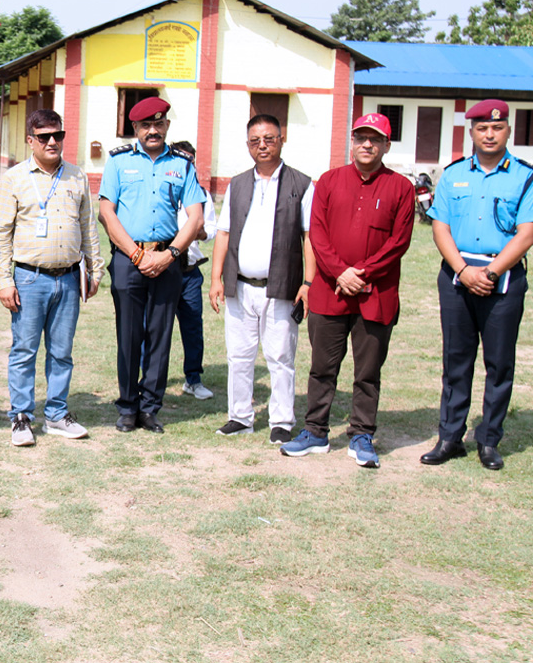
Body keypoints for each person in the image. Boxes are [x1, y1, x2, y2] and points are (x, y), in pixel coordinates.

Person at [281, 113, 414, 468]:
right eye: (361, 138)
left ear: (386, 145)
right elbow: (317, 234)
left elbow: (399, 241)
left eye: (375, 139)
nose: (367, 144)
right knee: (322, 367)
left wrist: (364, 272)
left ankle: (362, 434)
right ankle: (315, 431)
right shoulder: (328, 181)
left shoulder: (400, 187)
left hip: (376, 293)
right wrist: (342, 273)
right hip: (330, 290)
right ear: (351, 142)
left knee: (367, 371)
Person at [420, 99, 533, 472]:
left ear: (508, 132)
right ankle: (450, 436)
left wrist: (491, 273)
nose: (489, 134)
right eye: (482, 128)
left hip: (503, 277)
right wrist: (463, 270)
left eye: (497, 128)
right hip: (457, 274)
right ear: (471, 131)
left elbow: (526, 231)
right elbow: (440, 227)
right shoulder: (453, 175)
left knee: (499, 363)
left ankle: (488, 439)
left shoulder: (524, 176)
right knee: (456, 359)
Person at [0, 110, 103, 446]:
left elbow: (88, 227)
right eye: (44, 137)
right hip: (29, 279)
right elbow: (2, 233)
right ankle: (21, 417)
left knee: (61, 351)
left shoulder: (76, 176)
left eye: (58, 135)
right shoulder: (14, 178)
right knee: (24, 349)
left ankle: (56, 414)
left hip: (68, 280)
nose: (52, 142)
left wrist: (95, 269)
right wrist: (4, 280)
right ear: (31, 140)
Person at [98, 97, 204, 434]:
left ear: (167, 126)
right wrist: (136, 254)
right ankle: (128, 407)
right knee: (129, 336)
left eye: (159, 124)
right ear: (136, 129)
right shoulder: (118, 163)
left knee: (160, 336)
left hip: (168, 261)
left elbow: (196, 215)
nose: (153, 130)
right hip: (130, 260)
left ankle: (150, 408)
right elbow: (106, 212)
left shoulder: (183, 164)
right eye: (146, 125)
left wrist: (169, 255)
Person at [209, 114, 314, 446]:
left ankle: (281, 420)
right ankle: (240, 417)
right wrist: (215, 279)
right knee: (239, 355)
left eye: (269, 139)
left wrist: (308, 283)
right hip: (239, 286)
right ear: (247, 146)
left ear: (282, 140)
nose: (262, 146)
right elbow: (223, 234)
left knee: (280, 356)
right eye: (255, 141)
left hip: (281, 287)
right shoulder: (238, 184)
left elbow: (310, 237)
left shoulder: (302, 184)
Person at [151, 141, 217, 401]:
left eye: (190, 160)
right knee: (155, 327)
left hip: (189, 271)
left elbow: (210, 228)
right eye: (181, 159)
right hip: (163, 269)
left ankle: (193, 378)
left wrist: (200, 231)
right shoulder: (159, 186)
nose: (186, 164)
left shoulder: (200, 193)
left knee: (192, 327)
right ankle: (151, 377)